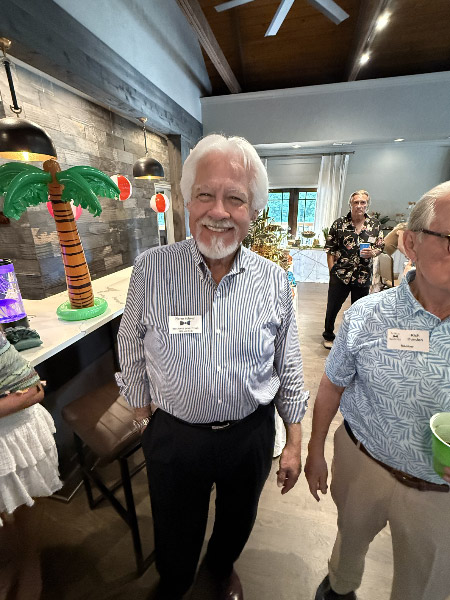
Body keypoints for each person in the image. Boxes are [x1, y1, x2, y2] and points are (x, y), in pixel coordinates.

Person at [116, 134, 308, 600]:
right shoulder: (151, 269)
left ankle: (220, 570)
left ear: (253, 210)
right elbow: (130, 342)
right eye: (205, 194)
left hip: (250, 433)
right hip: (174, 433)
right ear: (187, 200)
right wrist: (142, 415)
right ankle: (176, 581)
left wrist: (294, 440)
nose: (218, 211)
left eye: (235, 198)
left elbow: (289, 362)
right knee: (174, 525)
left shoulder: (273, 280)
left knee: (238, 519)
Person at [305, 182, 450, 600]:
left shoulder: (372, 230)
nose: (360, 205)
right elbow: (331, 384)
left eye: (364, 202)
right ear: (411, 244)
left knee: (423, 581)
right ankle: (339, 585)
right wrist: (315, 449)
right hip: (362, 462)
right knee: (348, 542)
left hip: (439, 491)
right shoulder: (367, 317)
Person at [0, 326, 61, 599]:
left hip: (12, 437)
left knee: (24, 507)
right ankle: (12, 559)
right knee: (5, 512)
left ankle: (28, 562)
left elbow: (34, 390)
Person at [322, 190, 384, 349]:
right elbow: (330, 249)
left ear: (367, 205)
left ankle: (354, 337)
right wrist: (332, 272)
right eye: (356, 202)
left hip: (363, 275)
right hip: (340, 274)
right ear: (350, 204)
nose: (359, 205)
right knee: (333, 307)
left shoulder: (375, 224)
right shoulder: (339, 224)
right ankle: (328, 335)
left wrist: (373, 252)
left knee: (360, 310)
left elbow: (380, 246)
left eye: (363, 202)